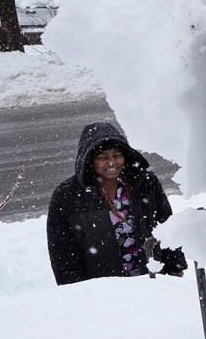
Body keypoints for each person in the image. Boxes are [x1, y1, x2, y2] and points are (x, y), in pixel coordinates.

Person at [47, 121, 186, 285]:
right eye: (103, 157)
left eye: (116, 155)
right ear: (89, 160)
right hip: (104, 291)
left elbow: (165, 222)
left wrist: (174, 266)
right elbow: (63, 251)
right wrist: (76, 289)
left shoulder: (143, 181)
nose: (112, 162)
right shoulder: (67, 195)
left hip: (152, 280)